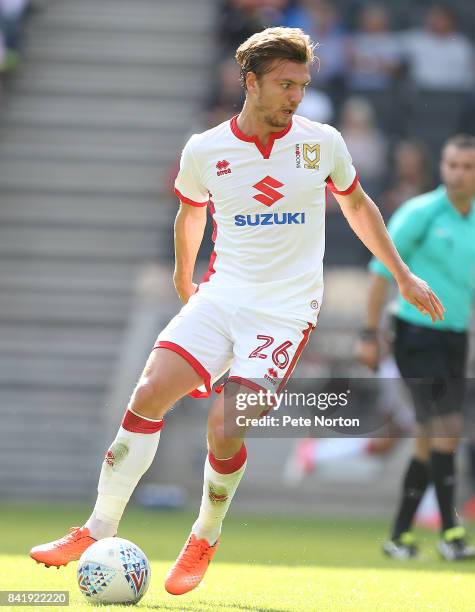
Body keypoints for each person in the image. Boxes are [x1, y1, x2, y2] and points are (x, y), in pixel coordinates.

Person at [30, 27, 443, 595]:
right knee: (149, 391)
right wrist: (182, 275)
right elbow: (190, 213)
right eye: (283, 85)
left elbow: (359, 206)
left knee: (225, 427)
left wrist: (402, 274)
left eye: (301, 85)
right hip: (223, 294)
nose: (294, 97)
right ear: (250, 82)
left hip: (285, 310)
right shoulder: (206, 149)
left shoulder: (321, 142)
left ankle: (204, 535)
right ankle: (94, 528)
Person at [357, 134, 475, 560]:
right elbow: (378, 270)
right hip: (414, 333)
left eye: (468, 166)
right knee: (446, 429)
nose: (458, 173)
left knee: (429, 438)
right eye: (452, 165)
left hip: (455, 337)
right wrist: (369, 334)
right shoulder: (422, 212)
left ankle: (400, 537)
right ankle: (451, 536)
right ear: (442, 167)